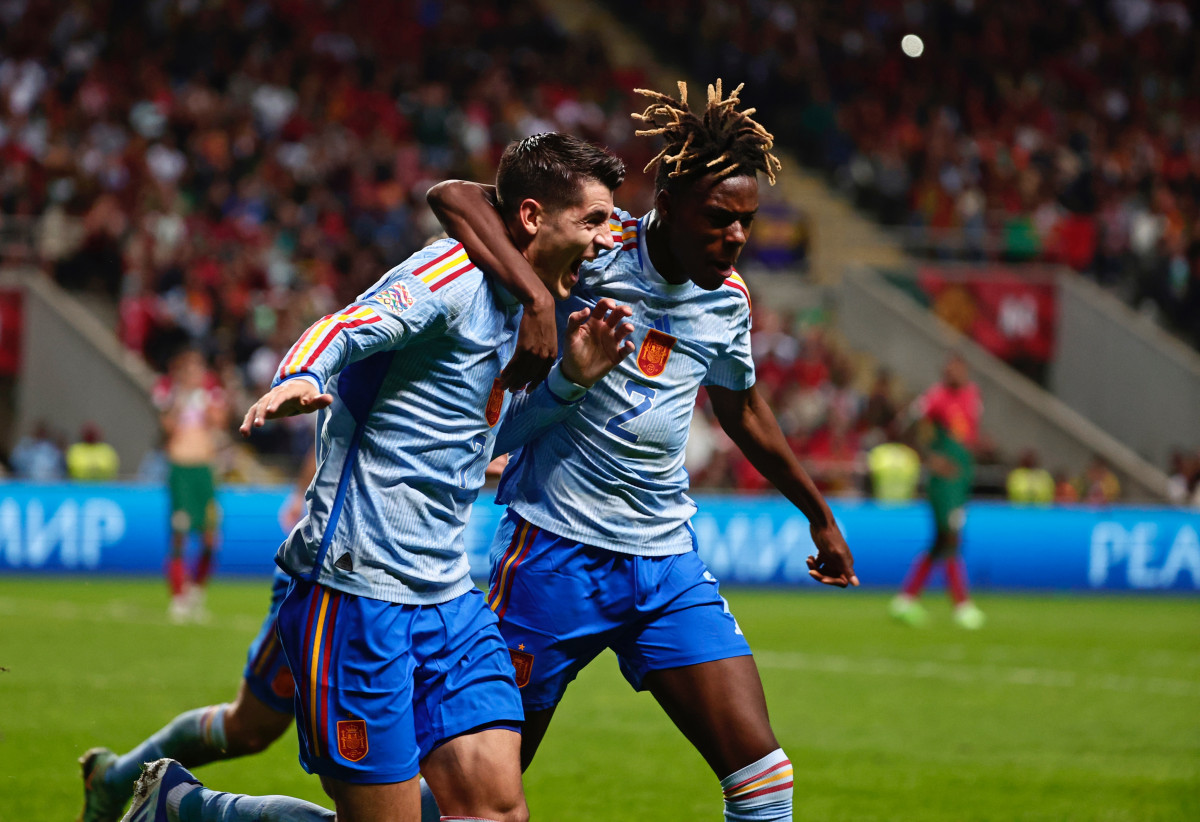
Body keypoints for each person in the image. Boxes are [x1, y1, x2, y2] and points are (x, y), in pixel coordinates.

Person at [117, 133, 634, 822]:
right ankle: (190, 808)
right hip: (357, 590)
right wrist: (300, 374)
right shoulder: (453, 276)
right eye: (593, 220)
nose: (606, 240)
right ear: (534, 217)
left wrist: (570, 381)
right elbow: (345, 326)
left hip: (448, 595)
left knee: (497, 811)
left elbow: (482, 438)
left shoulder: (526, 306)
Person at [426, 80, 857, 822]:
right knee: (472, 804)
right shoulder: (598, 247)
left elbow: (743, 409)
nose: (736, 237)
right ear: (670, 202)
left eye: (747, 222)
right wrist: (537, 297)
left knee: (765, 783)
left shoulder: (727, 301)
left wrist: (817, 514)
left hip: (663, 562)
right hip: (551, 557)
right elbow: (457, 196)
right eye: (718, 219)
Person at [889, 353, 986, 629]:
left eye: (959, 368)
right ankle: (961, 605)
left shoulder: (972, 395)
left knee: (941, 541)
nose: (954, 373)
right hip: (944, 482)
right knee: (952, 537)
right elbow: (905, 425)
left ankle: (906, 599)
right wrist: (930, 458)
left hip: (961, 477)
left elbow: (968, 433)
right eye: (950, 369)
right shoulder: (935, 397)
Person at [155, 349, 229, 623]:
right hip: (181, 470)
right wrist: (181, 398)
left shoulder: (210, 396)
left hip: (204, 471)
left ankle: (196, 589)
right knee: (180, 532)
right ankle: (178, 596)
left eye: (198, 369)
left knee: (211, 535)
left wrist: (204, 400)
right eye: (189, 369)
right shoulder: (170, 396)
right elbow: (167, 429)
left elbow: (219, 422)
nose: (194, 374)